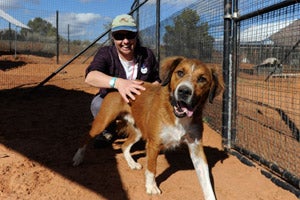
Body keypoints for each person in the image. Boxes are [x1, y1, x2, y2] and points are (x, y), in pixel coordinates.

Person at [85, 14, 161, 147]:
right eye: (119, 36)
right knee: (98, 104)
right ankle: (108, 130)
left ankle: (142, 130)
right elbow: (91, 76)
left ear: (136, 36)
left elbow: (157, 80)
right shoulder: (106, 53)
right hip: (113, 101)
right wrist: (119, 83)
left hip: (140, 104)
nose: (125, 41)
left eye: (130, 35)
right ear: (113, 37)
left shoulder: (147, 54)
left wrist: (149, 92)